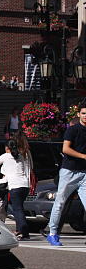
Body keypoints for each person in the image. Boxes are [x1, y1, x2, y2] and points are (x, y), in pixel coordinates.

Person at [46, 102, 86, 246]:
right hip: (69, 171)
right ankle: (52, 233)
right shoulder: (72, 130)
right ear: (78, 114)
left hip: (84, 173)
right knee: (60, 202)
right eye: (83, 113)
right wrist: (83, 156)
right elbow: (65, 149)